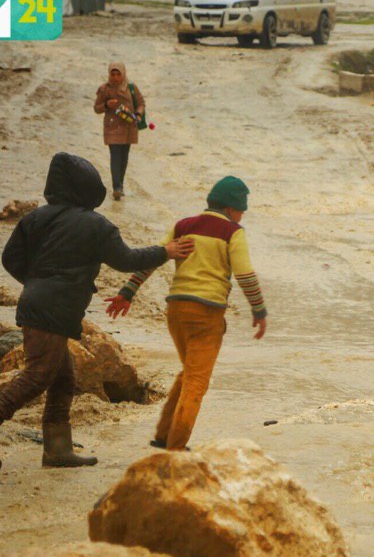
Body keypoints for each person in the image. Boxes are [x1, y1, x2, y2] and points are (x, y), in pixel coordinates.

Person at [0, 153, 194, 470]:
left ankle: (57, 449)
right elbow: (126, 260)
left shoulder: (34, 219)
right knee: (37, 375)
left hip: (35, 301)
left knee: (64, 378)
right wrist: (165, 251)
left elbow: (10, 259)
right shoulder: (96, 225)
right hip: (56, 308)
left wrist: (38, 282)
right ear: (88, 189)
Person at [105, 176, 268, 452]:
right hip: (207, 313)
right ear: (230, 209)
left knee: (189, 372)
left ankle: (163, 434)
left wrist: (128, 292)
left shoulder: (183, 226)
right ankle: (176, 448)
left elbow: (155, 257)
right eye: (242, 210)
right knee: (196, 381)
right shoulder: (233, 232)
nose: (242, 216)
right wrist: (259, 310)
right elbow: (245, 275)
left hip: (176, 310)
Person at [93, 63, 144, 201]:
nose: (115, 78)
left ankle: (120, 185)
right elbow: (96, 108)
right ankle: (116, 187)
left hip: (129, 127)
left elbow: (140, 103)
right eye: (113, 74)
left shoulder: (131, 88)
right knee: (115, 156)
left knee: (124, 157)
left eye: (118, 74)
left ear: (123, 74)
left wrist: (138, 114)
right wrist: (106, 105)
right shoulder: (104, 89)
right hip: (113, 127)